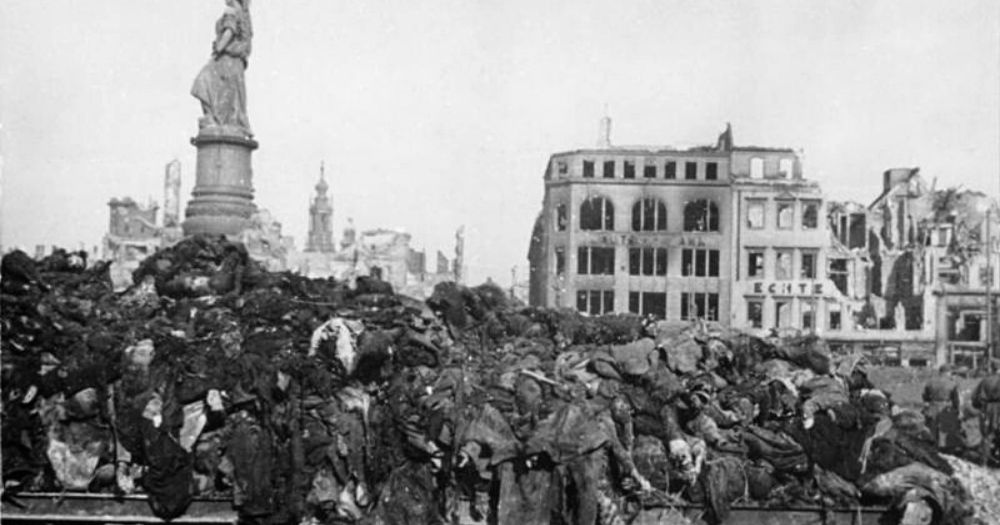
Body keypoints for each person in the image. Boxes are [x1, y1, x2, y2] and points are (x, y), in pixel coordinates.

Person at [191, 0, 253, 136]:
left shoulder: (231, 11)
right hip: (236, 64)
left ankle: (213, 119)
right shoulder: (244, 14)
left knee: (202, 82)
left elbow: (229, 31)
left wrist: (219, 48)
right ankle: (215, 120)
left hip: (226, 60)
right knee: (231, 101)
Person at [922, 364, 961, 451]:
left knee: (932, 428)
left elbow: (925, 396)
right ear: (947, 372)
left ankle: (931, 448)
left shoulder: (930, 382)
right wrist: (956, 409)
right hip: (946, 407)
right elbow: (956, 399)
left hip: (933, 406)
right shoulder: (952, 383)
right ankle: (944, 449)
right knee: (945, 429)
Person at [971, 361, 1000, 464]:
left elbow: (975, 397)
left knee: (987, 435)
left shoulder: (985, 381)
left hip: (988, 409)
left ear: (991, 368)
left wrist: (980, 407)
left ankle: (984, 462)